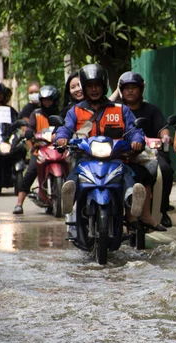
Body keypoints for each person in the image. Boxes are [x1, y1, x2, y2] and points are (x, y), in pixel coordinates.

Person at [54, 63, 148, 225]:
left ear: (104, 86)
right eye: (90, 86)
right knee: (75, 173)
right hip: (85, 157)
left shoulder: (121, 109)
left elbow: (134, 130)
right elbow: (65, 129)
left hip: (114, 158)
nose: (94, 90)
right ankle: (70, 196)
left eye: (97, 85)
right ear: (84, 88)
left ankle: (132, 198)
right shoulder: (75, 111)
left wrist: (137, 141)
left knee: (125, 172)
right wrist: (61, 138)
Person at [117, 71, 174, 228]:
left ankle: (161, 210)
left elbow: (163, 128)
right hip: (122, 153)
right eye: (126, 87)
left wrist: (166, 138)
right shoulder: (116, 110)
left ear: (141, 89)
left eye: (134, 87)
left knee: (164, 170)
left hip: (150, 153)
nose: (130, 91)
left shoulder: (152, 110)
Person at [13, 85, 61, 214]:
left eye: (49, 100)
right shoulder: (36, 114)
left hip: (58, 148)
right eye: (44, 100)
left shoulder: (61, 113)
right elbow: (30, 127)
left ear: (55, 100)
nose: (47, 102)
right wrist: (29, 133)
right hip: (40, 149)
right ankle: (19, 203)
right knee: (31, 171)